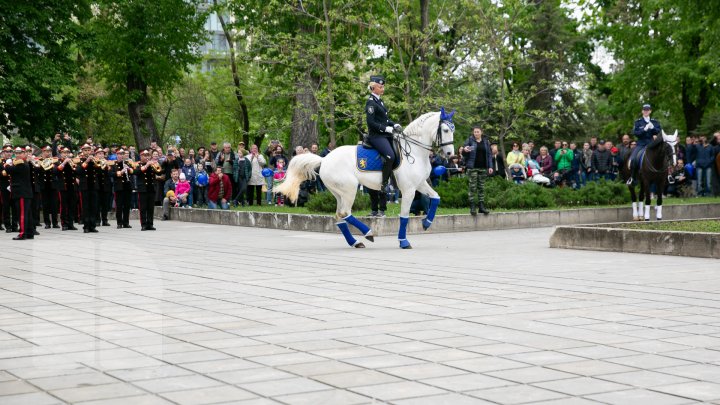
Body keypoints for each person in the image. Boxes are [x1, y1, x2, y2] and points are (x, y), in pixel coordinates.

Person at [366, 75, 402, 190]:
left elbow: (384, 120)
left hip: (385, 134)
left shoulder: (379, 101)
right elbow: (371, 123)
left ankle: (395, 178)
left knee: (399, 153)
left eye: (383, 87)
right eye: (380, 87)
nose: (383, 89)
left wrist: (393, 124)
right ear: (373, 88)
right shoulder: (370, 103)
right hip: (376, 136)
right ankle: (384, 183)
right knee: (390, 156)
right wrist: (386, 128)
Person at [627, 103, 662, 184]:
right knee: (633, 159)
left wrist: (653, 128)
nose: (646, 111)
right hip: (641, 144)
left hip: (652, 144)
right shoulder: (638, 122)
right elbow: (636, 133)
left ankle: (665, 176)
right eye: (644, 110)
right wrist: (645, 129)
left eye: (648, 110)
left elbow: (659, 131)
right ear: (642, 111)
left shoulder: (655, 122)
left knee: (662, 156)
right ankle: (632, 177)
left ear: (650, 111)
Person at [461, 126, 493, 215]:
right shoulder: (470, 140)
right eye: (475, 132)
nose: (476, 133)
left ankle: (481, 207)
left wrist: (490, 166)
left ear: (481, 132)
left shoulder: (486, 142)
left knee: (481, 187)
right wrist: (465, 150)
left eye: (478, 132)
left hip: (483, 167)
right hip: (472, 167)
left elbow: (489, 155)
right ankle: (472, 207)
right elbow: (463, 153)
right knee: (472, 187)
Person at [4, 147, 34, 240]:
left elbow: (9, 170)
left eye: (19, 153)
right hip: (24, 192)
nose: (17, 155)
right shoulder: (22, 162)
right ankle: (29, 232)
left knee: (22, 214)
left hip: (21, 193)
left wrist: (7, 164)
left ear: (24, 153)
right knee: (27, 214)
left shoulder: (21, 163)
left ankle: (22, 233)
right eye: (16, 153)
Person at [76, 144, 99, 233]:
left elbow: (100, 170)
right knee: (85, 207)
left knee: (93, 206)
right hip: (84, 186)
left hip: (93, 185)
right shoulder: (79, 161)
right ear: (82, 151)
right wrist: (86, 161)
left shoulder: (95, 161)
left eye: (89, 150)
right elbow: (78, 171)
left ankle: (92, 226)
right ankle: (86, 226)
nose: (87, 152)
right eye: (85, 150)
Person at [35, 146, 60, 229]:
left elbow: (57, 170)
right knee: (45, 205)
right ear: (43, 152)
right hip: (44, 185)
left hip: (53, 185)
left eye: (49, 151)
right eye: (46, 151)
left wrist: (53, 166)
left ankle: (55, 222)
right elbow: (37, 171)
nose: (48, 153)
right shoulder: (39, 161)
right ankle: (47, 223)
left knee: (54, 204)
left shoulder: (55, 160)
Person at [136, 150, 159, 231]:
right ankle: (143, 224)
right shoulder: (137, 164)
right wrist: (146, 165)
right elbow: (136, 172)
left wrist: (157, 165)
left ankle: (150, 224)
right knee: (143, 207)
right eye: (144, 155)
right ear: (141, 156)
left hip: (151, 188)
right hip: (143, 189)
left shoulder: (152, 164)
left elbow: (159, 172)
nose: (146, 157)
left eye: (147, 155)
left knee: (150, 208)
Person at [56, 147, 78, 231]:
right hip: (63, 187)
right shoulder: (58, 161)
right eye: (64, 153)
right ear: (61, 153)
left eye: (67, 152)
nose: (66, 154)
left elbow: (77, 171)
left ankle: (70, 223)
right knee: (64, 206)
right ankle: (64, 223)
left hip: (72, 186)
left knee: (72, 205)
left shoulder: (72, 161)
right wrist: (64, 162)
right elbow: (56, 171)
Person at [114, 149, 134, 228]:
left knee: (127, 205)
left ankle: (126, 222)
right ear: (117, 155)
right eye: (120, 154)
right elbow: (111, 173)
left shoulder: (127, 163)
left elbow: (133, 171)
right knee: (119, 205)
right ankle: (119, 222)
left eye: (123, 154)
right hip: (119, 187)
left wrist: (129, 169)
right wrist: (120, 172)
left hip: (127, 186)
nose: (122, 155)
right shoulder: (114, 164)